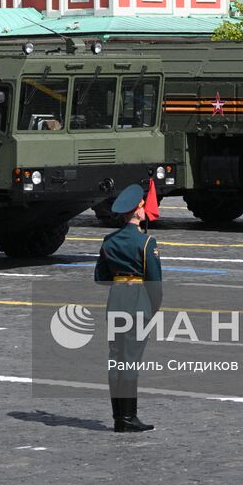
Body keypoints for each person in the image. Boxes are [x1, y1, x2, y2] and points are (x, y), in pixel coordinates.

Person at [94, 181, 163, 433]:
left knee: (116, 360)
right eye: (143, 207)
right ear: (137, 211)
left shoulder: (109, 241)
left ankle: (117, 417)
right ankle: (129, 418)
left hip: (115, 303)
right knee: (130, 361)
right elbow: (155, 284)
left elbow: (100, 277)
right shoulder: (146, 243)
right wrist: (152, 310)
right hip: (137, 304)